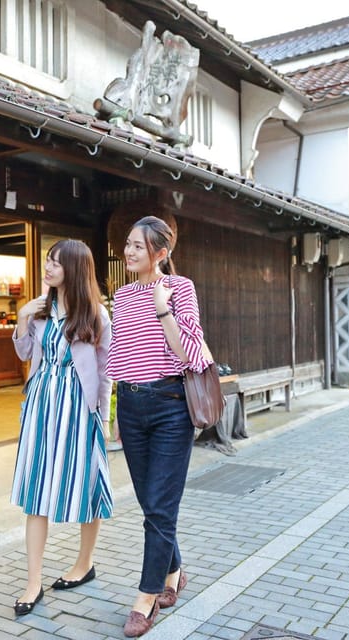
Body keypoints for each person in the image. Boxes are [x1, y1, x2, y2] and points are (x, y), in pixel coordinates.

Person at [107, 215, 210, 637]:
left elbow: (187, 353)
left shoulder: (180, 288)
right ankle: (176, 573)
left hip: (170, 406)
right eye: (127, 244)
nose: (128, 251)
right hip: (132, 405)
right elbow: (119, 356)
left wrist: (163, 307)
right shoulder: (122, 295)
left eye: (137, 246)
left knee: (160, 507)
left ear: (160, 253)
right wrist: (116, 412)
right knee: (152, 503)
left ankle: (146, 597)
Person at [9, 238, 113, 617]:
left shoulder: (96, 316)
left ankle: (85, 563)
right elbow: (24, 354)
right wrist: (22, 319)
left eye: (55, 262)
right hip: (41, 407)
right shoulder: (39, 310)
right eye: (47, 261)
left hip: (78, 409)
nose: (47, 267)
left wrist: (102, 419)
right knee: (36, 489)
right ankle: (32, 581)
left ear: (74, 268)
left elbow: (105, 375)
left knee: (87, 485)